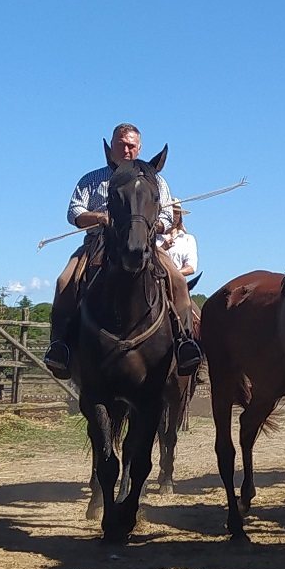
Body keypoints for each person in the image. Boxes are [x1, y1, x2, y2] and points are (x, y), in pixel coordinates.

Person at [45, 123, 202, 379]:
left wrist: (153, 225)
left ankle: (184, 342)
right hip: (97, 243)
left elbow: (166, 214)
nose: (126, 149)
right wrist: (100, 217)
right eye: (122, 144)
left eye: (131, 145)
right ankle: (60, 345)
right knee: (64, 281)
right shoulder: (92, 179)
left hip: (144, 244)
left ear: (139, 148)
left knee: (178, 281)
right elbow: (74, 212)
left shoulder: (154, 178)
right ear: (112, 147)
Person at [158, 203, 198, 277]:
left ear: (180, 217)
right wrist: (162, 248)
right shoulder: (153, 237)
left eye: (176, 213)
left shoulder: (187, 239)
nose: (173, 216)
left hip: (176, 280)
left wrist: (171, 275)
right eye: (170, 212)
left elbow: (191, 268)